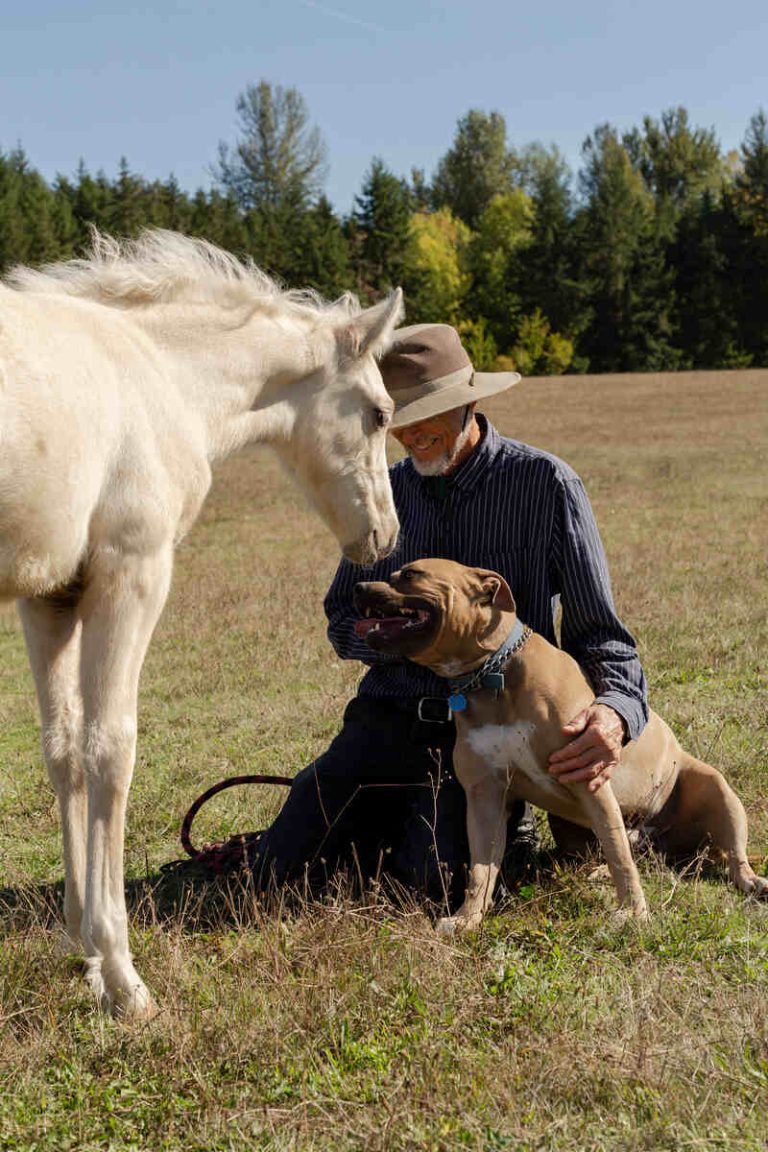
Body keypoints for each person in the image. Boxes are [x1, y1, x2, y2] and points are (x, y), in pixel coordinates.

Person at [251, 324, 648, 907]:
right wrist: (392, 637)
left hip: (497, 725)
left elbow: (603, 636)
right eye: (394, 419)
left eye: (427, 415)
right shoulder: (385, 492)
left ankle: (498, 822)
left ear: (469, 401)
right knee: (275, 873)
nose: (410, 434)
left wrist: (615, 714)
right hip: (388, 713)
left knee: (433, 885)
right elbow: (342, 614)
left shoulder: (545, 485)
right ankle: (381, 822)